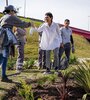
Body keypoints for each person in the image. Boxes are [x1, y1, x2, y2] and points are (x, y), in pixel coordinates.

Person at [0, 5, 32, 82]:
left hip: (1, 38)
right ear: (11, 11)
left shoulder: (2, 18)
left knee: (3, 57)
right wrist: (30, 24)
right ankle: (3, 76)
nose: (14, 13)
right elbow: (22, 23)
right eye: (14, 11)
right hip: (5, 39)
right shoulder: (11, 17)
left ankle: (3, 76)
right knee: (3, 58)